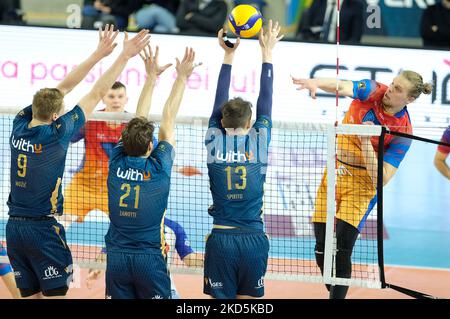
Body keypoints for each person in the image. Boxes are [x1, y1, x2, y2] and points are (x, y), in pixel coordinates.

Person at [6, 25, 150, 299]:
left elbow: (62, 88)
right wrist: (121, 56)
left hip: (14, 228)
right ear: (55, 118)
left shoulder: (19, 123)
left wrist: (97, 54)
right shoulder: (57, 134)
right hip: (43, 228)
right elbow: (96, 93)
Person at [292, 71, 433, 299]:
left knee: (342, 249)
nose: (390, 90)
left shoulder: (403, 132)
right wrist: (315, 82)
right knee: (321, 247)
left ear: (409, 100)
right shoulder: (373, 90)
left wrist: (366, 142)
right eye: (393, 84)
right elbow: (342, 85)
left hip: (362, 186)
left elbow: (383, 179)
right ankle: (336, 291)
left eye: (398, 89)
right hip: (335, 173)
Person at [104, 45, 198, 299]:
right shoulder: (159, 167)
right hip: (150, 258)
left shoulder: (116, 161)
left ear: (124, 141)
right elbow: (168, 119)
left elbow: (138, 118)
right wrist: (181, 77)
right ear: (150, 146)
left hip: (117, 258)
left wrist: (150, 78)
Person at [203, 20, 283, 299]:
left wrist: (228, 54)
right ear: (251, 122)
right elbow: (267, 99)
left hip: (222, 238)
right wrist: (267, 53)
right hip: (253, 239)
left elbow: (218, 101)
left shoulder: (214, 139)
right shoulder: (259, 140)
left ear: (221, 120)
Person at [59, 81, 129, 229]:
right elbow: (67, 137)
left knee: (127, 228)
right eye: (111, 96)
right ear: (103, 98)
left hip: (115, 190)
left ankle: (108, 252)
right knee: (60, 222)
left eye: (120, 96)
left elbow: (150, 150)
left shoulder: (132, 125)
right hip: (83, 186)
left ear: (126, 99)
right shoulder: (91, 120)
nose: (116, 100)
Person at [85, 217, 203, 299]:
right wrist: (97, 268)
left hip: (162, 287)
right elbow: (105, 254)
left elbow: (190, 260)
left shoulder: (174, 228)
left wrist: (210, 262)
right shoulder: (125, 226)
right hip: (128, 288)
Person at [297, 0, 364, 43]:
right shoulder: (317, 2)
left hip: (341, 50)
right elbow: (306, 31)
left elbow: (355, 37)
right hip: (317, 47)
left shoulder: (355, 6)